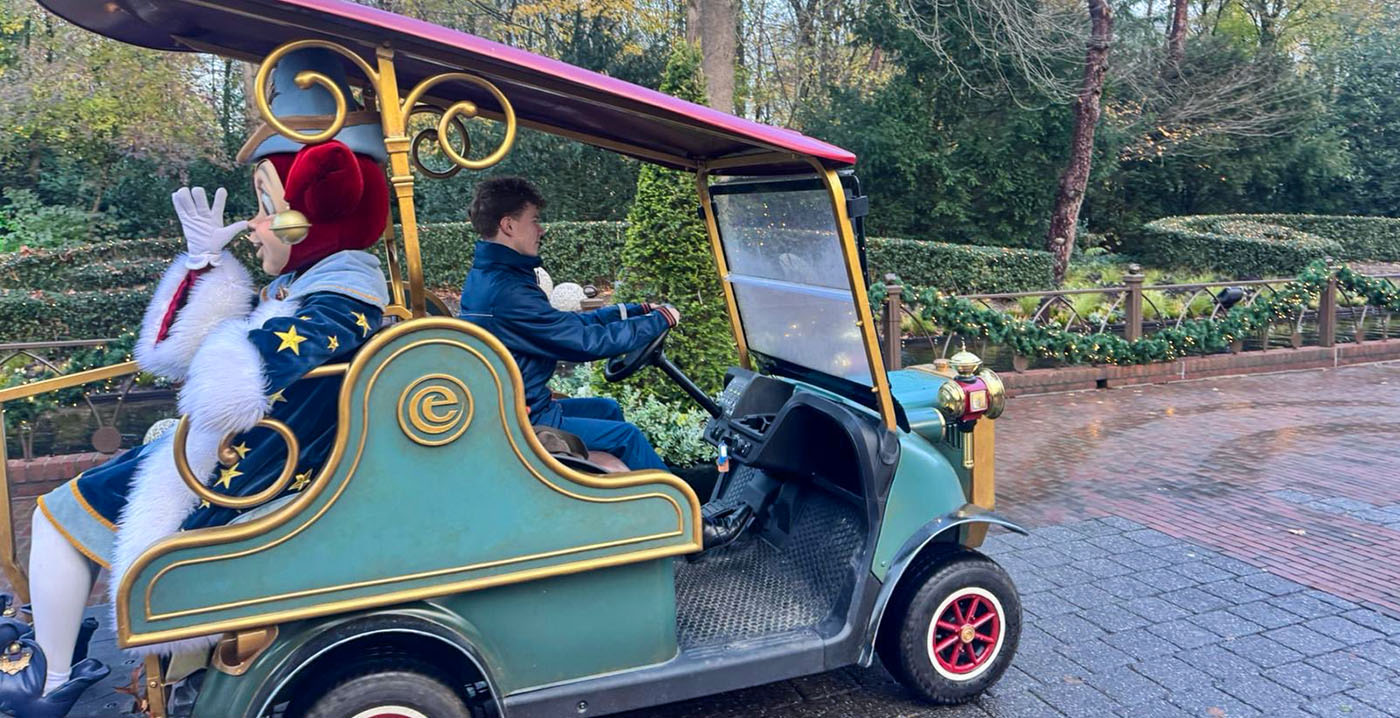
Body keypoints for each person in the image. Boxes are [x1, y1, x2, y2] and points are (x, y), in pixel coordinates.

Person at [2, 48, 392, 718]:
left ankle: (51, 678)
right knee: (74, 506)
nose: (255, 225)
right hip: (240, 456)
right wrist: (205, 261)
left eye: (265, 208)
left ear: (310, 213)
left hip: (252, 476)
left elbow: (229, 385)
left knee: (58, 512)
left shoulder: (341, 295)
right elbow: (178, 358)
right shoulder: (313, 284)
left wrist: (234, 330)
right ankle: (56, 652)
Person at [458, 177, 679, 472]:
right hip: (527, 419)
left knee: (607, 408)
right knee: (629, 437)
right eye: (534, 220)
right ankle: (682, 514)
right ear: (508, 225)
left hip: (526, 406)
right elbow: (582, 342)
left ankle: (627, 504)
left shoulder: (495, 276)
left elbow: (559, 325)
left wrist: (627, 312)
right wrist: (658, 321)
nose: (541, 230)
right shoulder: (508, 290)